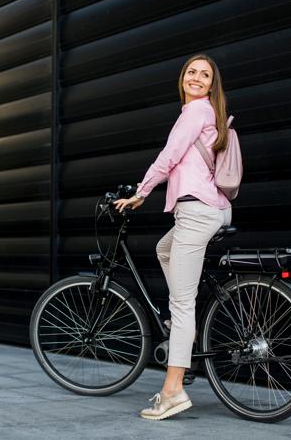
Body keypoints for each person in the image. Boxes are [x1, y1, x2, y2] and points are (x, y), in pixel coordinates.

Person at [113, 54, 232, 420]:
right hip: (208, 208)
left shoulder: (196, 111)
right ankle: (186, 329)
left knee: (181, 306)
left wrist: (141, 191)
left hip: (197, 211)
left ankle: (173, 390)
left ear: (212, 85)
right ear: (183, 78)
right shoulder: (204, 113)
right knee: (164, 249)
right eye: (192, 72)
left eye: (205, 75)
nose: (197, 78)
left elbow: (169, 156)